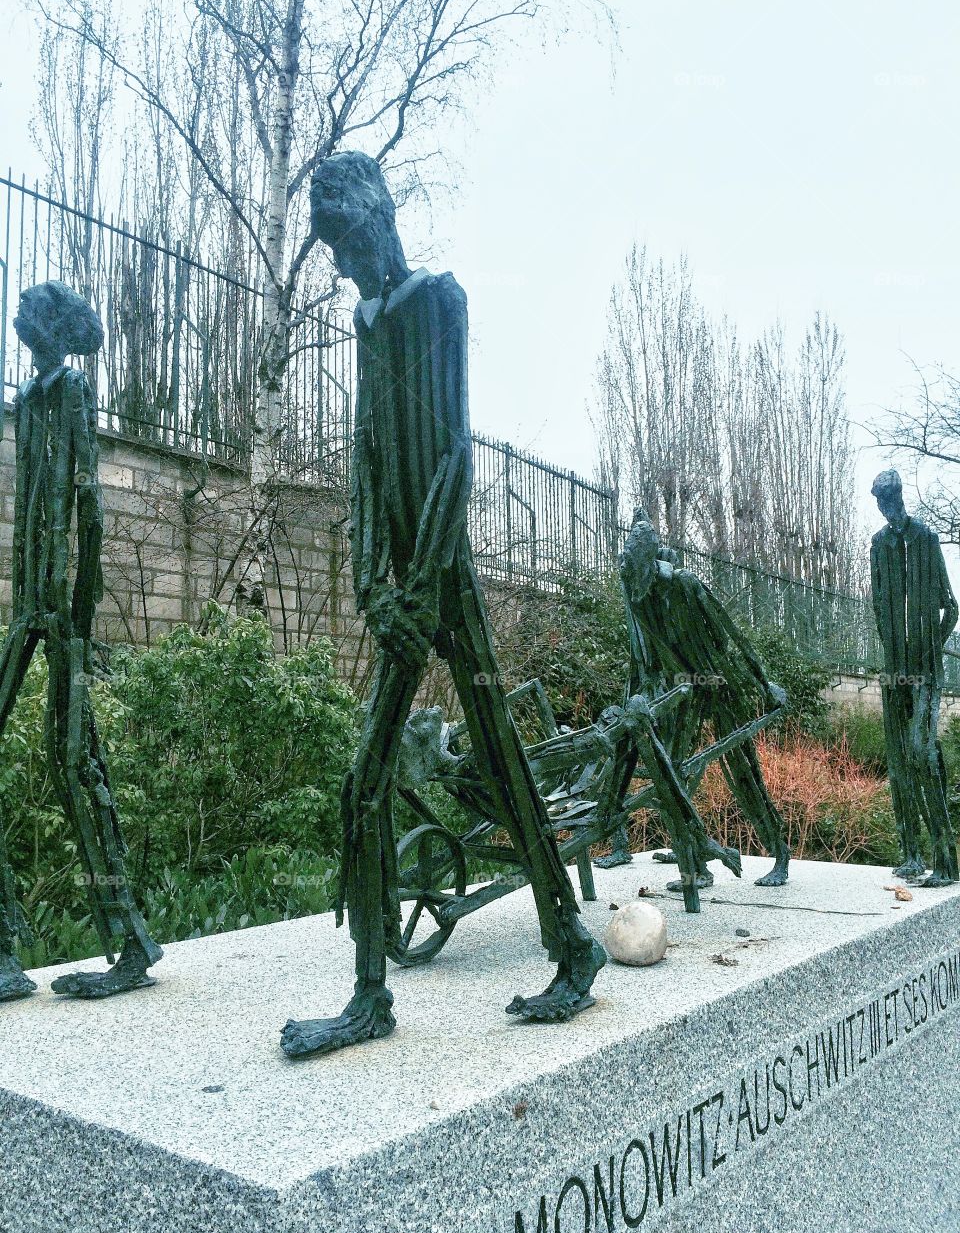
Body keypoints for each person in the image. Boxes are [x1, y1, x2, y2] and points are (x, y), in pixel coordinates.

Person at [281, 153, 605, 1059]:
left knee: (491, 764)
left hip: (443, 576)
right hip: (402, 587)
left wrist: (416, 587)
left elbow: (454, 457)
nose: (340, 263)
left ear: (377, 219)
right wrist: (365, 585)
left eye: (345, 241)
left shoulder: (439, 300)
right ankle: (376, 992)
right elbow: (363, 454)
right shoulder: (367, 320)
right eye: (332, 249)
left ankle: (565, 947)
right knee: (372, 778)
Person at [0, 281, 162, 1002]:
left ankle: (129, 941)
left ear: (53, 328)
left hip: (60, 612)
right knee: (66, 757)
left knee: (74, 761)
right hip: (27, 607)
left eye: (32, 316)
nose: (21, 323)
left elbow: (88, 499)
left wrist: (81, 614)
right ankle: (5, 946)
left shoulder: (70, 392)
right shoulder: (28, 403)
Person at [592, 510, 790, 891]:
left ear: (650, 561)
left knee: (743, 772)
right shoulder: (637, 587)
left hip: (714, 683)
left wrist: (765, 685)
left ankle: (779, 854)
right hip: (678, 690)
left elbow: (730, 633)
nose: (627, 574)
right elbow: (642, 650)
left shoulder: (684, 584)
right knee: (673, 774)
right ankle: (697, 864)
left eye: (632, 565)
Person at [871, 469, 958, 886]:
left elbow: (951, 608)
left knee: (923, 751)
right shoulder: (878, 545)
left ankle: (946, 861)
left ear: (900, 497)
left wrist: (929, 647)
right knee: (899, 762)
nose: (887, 507)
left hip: (924, 670)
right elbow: (877, 603)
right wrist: (892, 650)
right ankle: (911, 856)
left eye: (890, 499)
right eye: (880, 502)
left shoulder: (924, 538)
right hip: (894, 671)